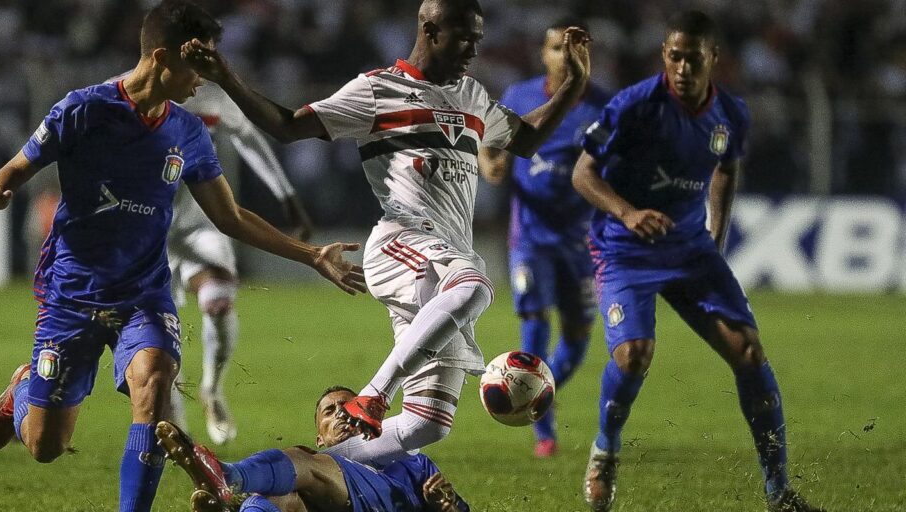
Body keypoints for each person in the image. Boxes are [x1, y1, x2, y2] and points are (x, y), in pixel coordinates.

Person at [0, 2, 365, 512]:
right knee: (46, 446)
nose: (203, 79)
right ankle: (23, 389)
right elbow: (18, 166)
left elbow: (231, 217)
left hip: (144, 294)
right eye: (196, 66)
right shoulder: (83, 109)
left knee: (155, 385)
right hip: (73, 294)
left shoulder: (188, 131)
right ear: (161, 58)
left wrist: (311, 255)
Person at [178, 0, 591, 467]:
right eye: (465, 38)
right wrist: (226, 77)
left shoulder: (472, 95)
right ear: (431, 30)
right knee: (475, 285)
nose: (474, 49)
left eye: (478, 39)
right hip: (402, 241)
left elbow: (527, 138)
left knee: (426, 424)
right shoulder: (377, 90)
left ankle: (262, 476)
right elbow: (288, 127)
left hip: (444, 261)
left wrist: (574, 83)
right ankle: (373, 396)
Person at [571, 11, 823, 512]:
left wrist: (716, 237)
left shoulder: (731, 114)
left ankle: (779, 495)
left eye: (692, 57)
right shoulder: (635, 105)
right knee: (634, 354)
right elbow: (583, 173)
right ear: (664, 55)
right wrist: (627, 211)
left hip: (690, 251)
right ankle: (605, 449)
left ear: (714, 59)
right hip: (624, 248)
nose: (682, 67)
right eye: (673, 56)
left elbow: (726, 170)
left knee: (749, 353)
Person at [478, 17, 610, 458]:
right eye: (557, 48)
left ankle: (535, 392)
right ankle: (543, 431)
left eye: (574, 49)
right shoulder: (519, 97)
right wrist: (489, 161)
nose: (565, 57)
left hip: (580, 240)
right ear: (543, 53)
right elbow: (494, 159)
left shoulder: (605, 108)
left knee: (577, 337)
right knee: (534, 323)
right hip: (529, 238)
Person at [164, 81, 315, 444]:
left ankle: (211, 390)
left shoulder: (210, 97)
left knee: (217, 299)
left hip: (202, 220)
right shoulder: (120, 94)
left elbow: (248, 138)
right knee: (155, 329)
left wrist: (287, 195)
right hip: (145, 227)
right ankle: (174, 421)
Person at [156, 386, 469, 512]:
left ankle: (228, 476)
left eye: (349, 407)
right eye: (330, 412)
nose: (342, 414)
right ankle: (230, 485)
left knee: (299, 466)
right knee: (274, 495)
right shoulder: (318, 463)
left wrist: (447, 507)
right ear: (320, 437)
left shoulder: (411, 460)